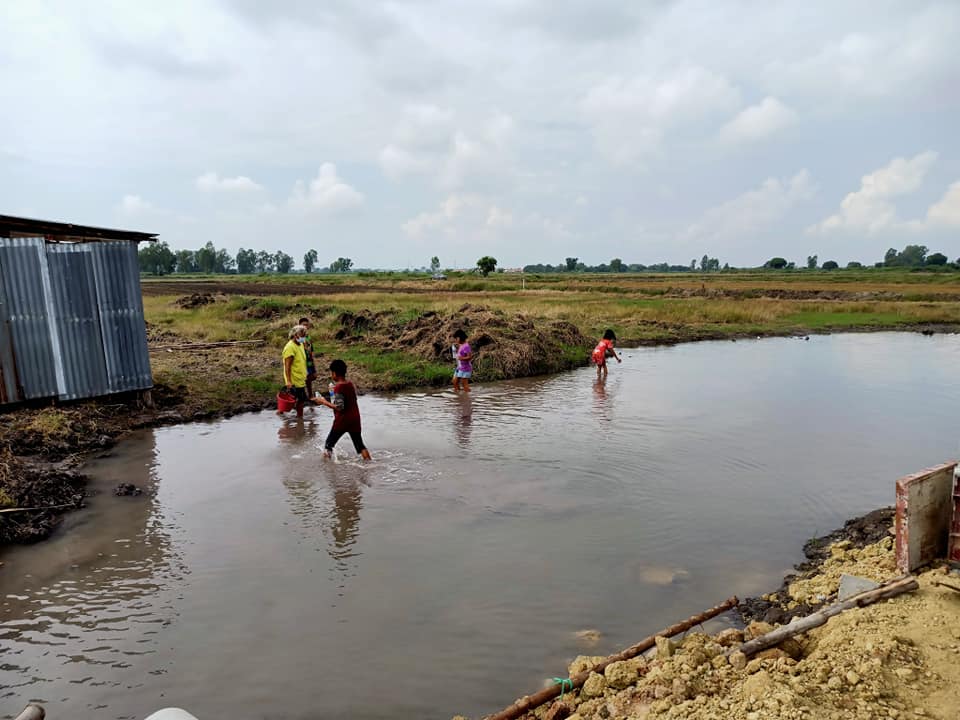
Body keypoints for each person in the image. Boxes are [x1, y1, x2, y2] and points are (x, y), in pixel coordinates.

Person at [314, 359, 372, 461]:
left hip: (342, 420)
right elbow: (351, 400)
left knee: (329, 444)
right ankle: (370, 464)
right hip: (354, 419)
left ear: (335, 373)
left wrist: (323, 401)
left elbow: (339, 407)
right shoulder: (349, 384)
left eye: (331, 373)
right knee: (360, 445)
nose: (331, 375)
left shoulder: (339, 387)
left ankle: (326, 468)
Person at [281, 325, 310, 417]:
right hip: (294, 380)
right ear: (295, 335)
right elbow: (287, 366)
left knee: (300, 400)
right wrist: (289, 381)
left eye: (305, 335)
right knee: (297, 400)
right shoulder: (290, 347)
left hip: (300, 378)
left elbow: (301, 359)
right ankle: (298, 419)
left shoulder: (300, 344)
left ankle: (297, 418)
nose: (304, 337)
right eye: (302, 335)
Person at [299, 317, 317, 398]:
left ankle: (310, 395)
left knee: (310, 378)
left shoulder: (308, 336)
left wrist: (313, 359)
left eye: (306, 325)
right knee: (303, 378)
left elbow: (311, 348)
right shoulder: (298, 336)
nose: (305, 327)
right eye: (303, 325)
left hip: (309, 360)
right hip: (302, 360)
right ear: (299, 326)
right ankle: (303, 396)